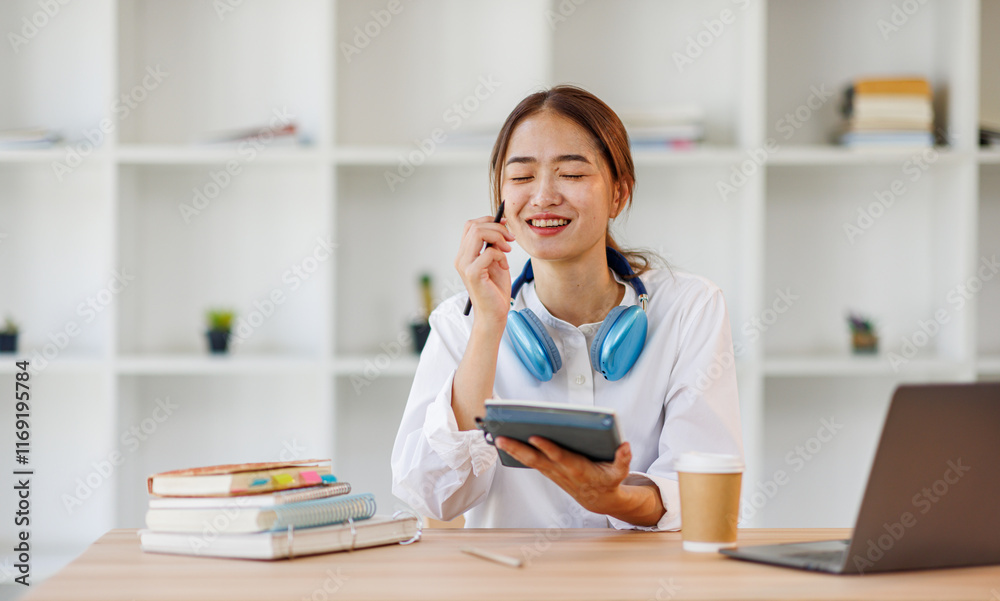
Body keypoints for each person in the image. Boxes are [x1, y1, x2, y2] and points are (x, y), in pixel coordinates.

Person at [391, 85, 743, 530]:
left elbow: (705, 492)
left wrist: (614, 499)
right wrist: (487, 327)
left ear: (618, 194)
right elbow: (431, 495)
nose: (542, 197)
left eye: (572, 175)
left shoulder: (690, 309)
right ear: (502, 202)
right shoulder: (460, 322)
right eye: (521, 178)